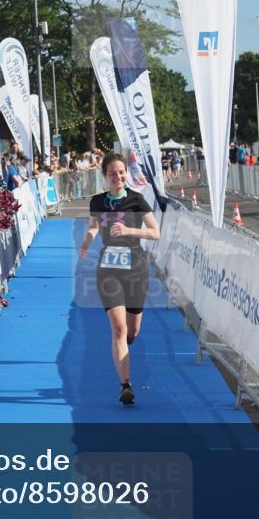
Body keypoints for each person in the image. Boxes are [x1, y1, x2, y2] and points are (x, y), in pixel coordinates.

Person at [79, 153, 160, 406]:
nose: (118, 177)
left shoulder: (137, 200)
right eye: (113, 173)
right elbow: (94, 226)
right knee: (119, 328)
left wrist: (129, 230)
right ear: (105, 176)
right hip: (109, 269)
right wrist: (86, 242)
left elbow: (155, 232)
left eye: (122, 172)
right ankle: (126, 385)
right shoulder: (98, 201)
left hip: (135, 267)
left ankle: (126, 346)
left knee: (132, 330)